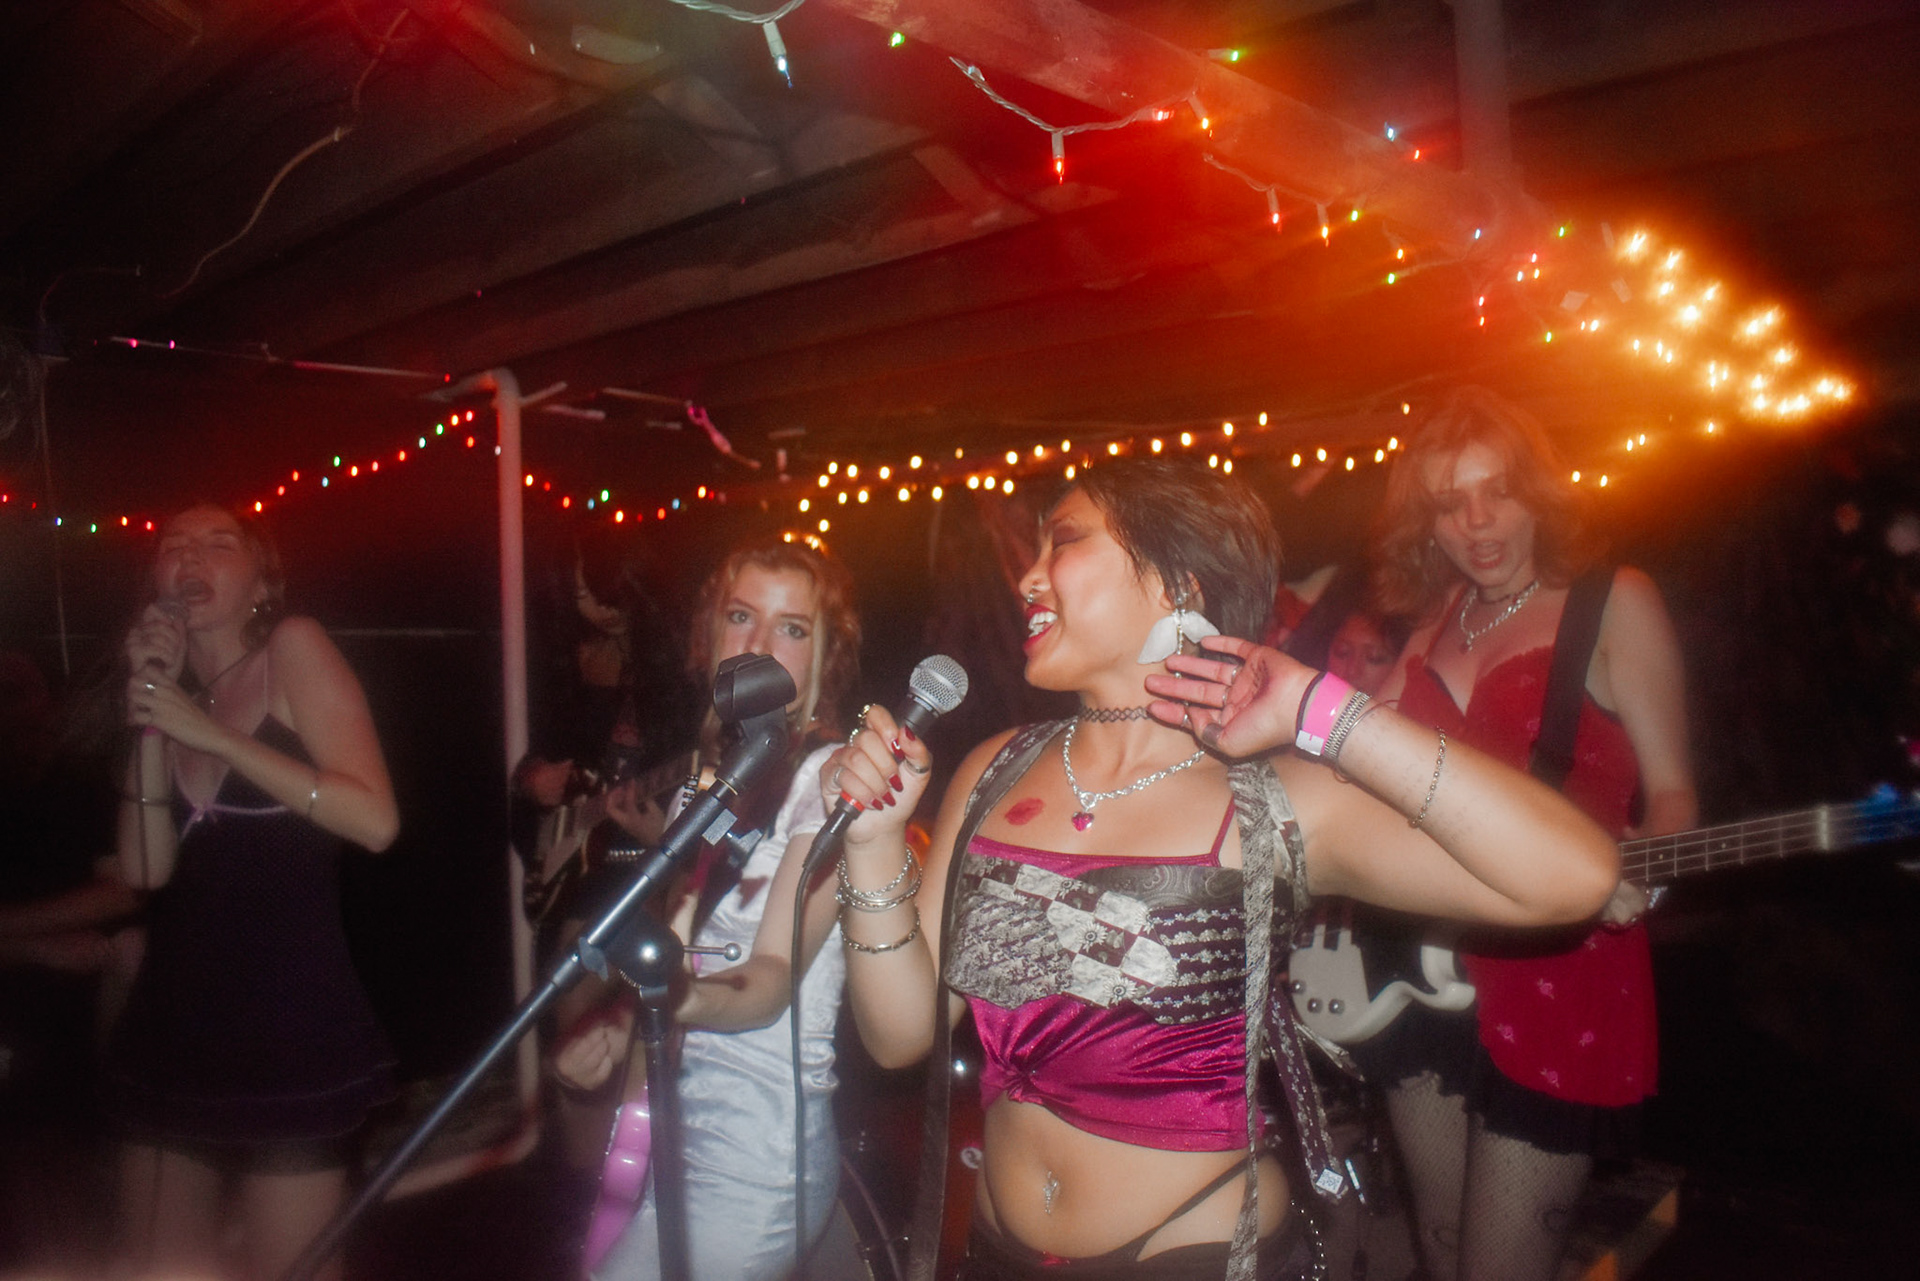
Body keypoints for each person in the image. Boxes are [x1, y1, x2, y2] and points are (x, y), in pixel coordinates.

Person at [826, 456, 1621, 1281]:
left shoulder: (1275, 795)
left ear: (1177, 583)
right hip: (998, 1253)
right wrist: (874, 844)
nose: (1028, 575)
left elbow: (1576, 874)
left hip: (1199, 1255)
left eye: (1063, 540)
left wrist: (1323, 712)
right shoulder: (993, 770)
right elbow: (899, 1037)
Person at [1362, 385, 1697, 1281]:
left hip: (1560, 969)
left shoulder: (1612, 600)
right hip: (1421, 961)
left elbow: (1673, 796)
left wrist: (1643, 878)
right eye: (1449, 503)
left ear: (1540, 494)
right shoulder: (1434, 622)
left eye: (1499, 491)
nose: (1476, 522)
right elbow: (1358, 775)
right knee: (1440, 1249)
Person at [552, 535, 863, 1281]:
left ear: (823, 658)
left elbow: (769, 980)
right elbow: (680, 955)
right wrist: (621, 1028)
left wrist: (671, 998)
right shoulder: (707, 784)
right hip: (679, 1135)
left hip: (757, 1160)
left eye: (792, 628)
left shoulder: (829, 782)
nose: (759, 645)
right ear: (709, 633)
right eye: (741, 616)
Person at [108, 502, 399, 1281]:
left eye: (217, 543)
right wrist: (152, 706)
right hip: (176, 1023)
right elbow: (144, 868)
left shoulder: (291, 647)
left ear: (262, 581)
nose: (190, 556)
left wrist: (215, 737)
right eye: (173, 544)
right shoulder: (179, 698)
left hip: (287, 1025)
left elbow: (374, 819)